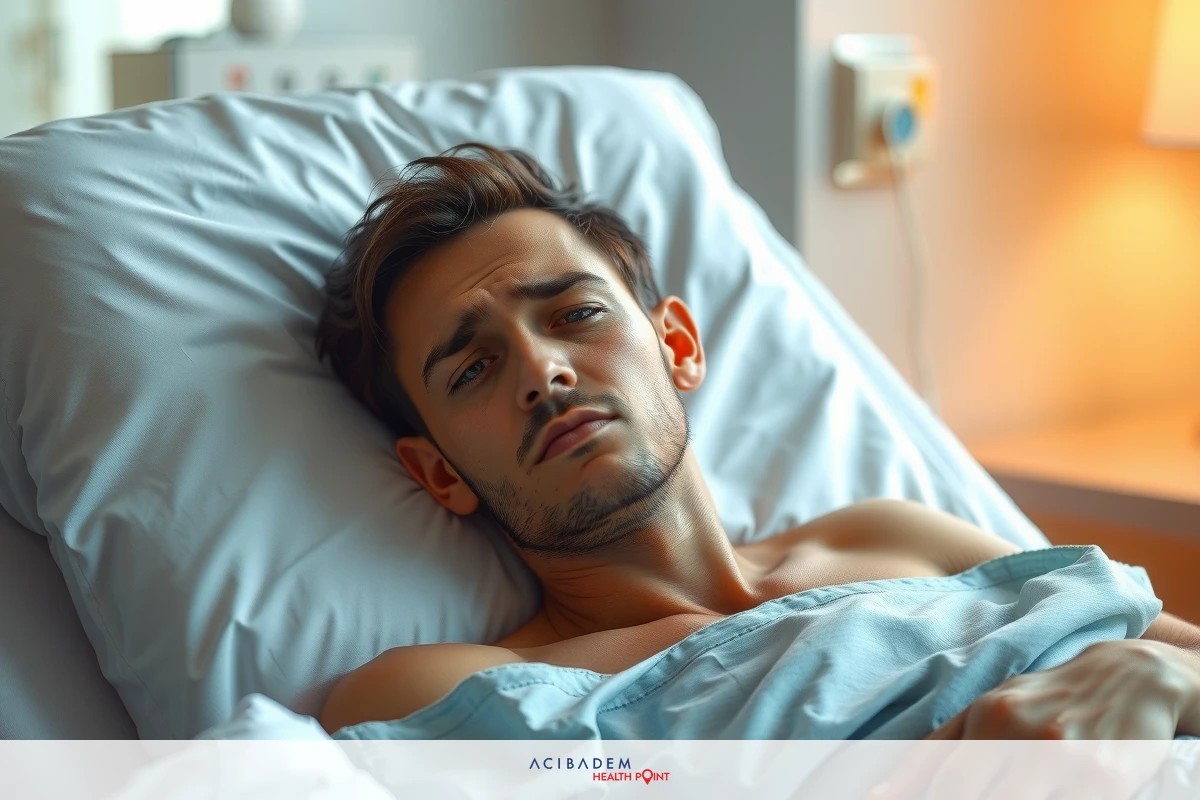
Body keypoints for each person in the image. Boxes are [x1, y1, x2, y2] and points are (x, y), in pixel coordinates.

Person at [313, 143, 1200, 738]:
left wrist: (1163, 678)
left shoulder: (895, 537)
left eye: (576, 314)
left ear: (678, 347)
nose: (543, 372)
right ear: (437, 473)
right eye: (472, 369)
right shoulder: (441, 691)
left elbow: (1179, 651)